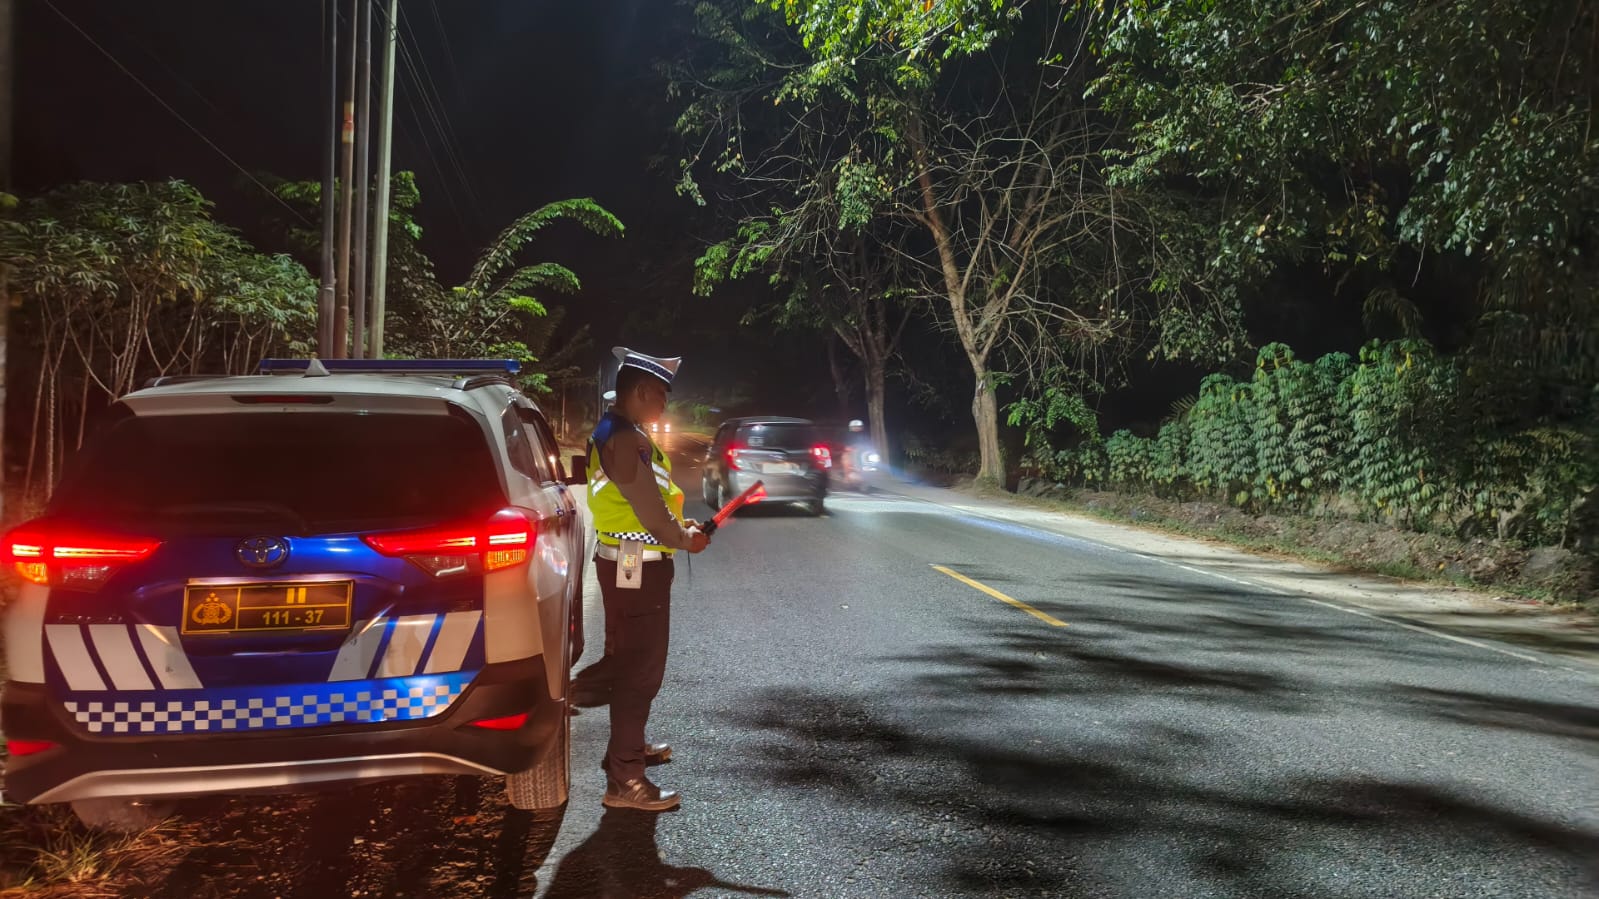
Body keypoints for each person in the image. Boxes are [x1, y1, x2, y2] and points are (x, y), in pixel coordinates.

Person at [586, 347, 710, 811]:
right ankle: (625, 781)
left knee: (629, 664)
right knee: (640, 673)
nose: (664, 404)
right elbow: (650, 514)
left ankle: (628, 749)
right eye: (661, 394)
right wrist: (684, 538)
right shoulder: (623, 438)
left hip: (624, 561)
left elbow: (653, 501)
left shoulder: (619, 429)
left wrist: (681, 529)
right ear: (641, 390)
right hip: (635, 566)